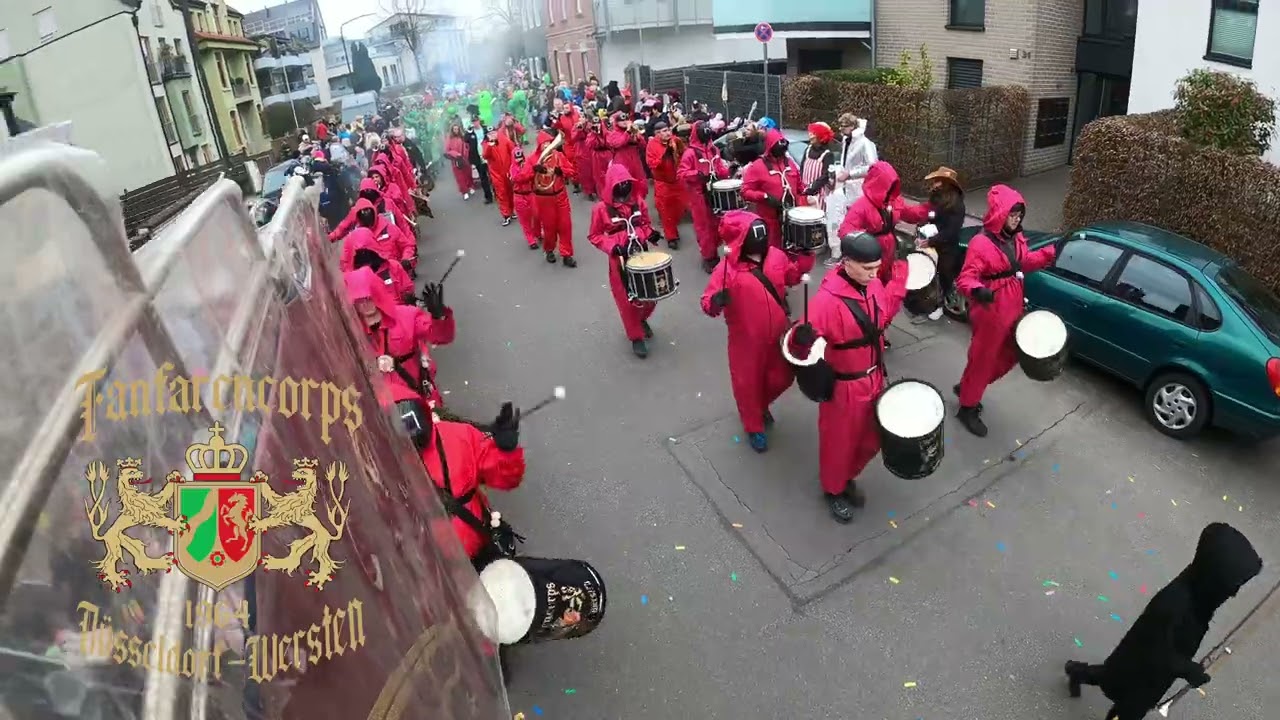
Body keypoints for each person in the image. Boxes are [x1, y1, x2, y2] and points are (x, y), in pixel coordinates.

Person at [1064, 522, 1261, 720]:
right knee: (1128, 708)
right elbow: (1157, 651)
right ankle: (1077, 672)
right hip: (1144, 667)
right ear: (1212, 579)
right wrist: (1187, 669)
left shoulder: (1199, 588)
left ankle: (1076, 671)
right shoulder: (1173, 603)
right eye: (1229, 586)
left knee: (1109, 676)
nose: (1234, 593)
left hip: (1144, 662)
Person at [786, 232, 908, 522]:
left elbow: (885, 309)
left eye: (877, 268)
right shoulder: (825, 302)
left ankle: (848, 476)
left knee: (871, 439)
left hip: (875, 377)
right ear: (848, 262)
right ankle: (834, 489)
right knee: (838, 443)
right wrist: (799, 340)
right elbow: (795, 348)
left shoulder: (875, 284)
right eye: (867, 269)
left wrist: (903, 271)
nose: (874, 274)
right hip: (845, 387)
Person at [954, 186, 1063, 437]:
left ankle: (969, 386)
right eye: (1012, 214)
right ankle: (967, 407)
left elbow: (1023, 262)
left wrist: (1049, 254)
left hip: (1012, 304)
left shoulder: (1016, 238)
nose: (1016, 219)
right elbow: (966, 279)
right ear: (999, 213)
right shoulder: (980, 243)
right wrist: (978, 290)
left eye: (1019, 215)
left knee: (1010, 354)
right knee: (983, 359)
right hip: (991, 309)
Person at [701, 211, 809, 452]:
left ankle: (760, 406)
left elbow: (792, 276)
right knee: (746, 384)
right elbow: (707, 302)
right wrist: (716, 302)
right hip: (745, 341)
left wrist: (805, 258)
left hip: (778, 334)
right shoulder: (727, 270)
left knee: (782, 376)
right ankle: (754, 426)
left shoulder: (777, 257)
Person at [398, 398, 526, 575]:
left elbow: (506, 479)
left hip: (477, 541)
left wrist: (505, 451)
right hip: (427, 568)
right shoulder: (375, 462)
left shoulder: (459, 436)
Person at [344, 267, 455, 411]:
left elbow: (442, 337)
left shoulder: (406, 316)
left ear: (376, 293)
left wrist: (439, 317)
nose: (365, 304)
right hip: (380, 407)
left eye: (368, 297)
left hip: (417, 396)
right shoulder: (350, 332)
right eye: (358, 300)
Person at [589, 164, 661, 358]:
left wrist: (651, 234)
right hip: (619, 259)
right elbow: (595, 235)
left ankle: (642, 319)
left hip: (641, 253)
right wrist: (613, 246)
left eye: (626, 182)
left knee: (651, 293)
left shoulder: (638, 201)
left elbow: (645, 224)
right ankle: (636, 337)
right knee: (627, 300)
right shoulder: (601, 209)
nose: (624, 186)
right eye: (619, 183)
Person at [836, 161, 932, 287]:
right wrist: (865, 241)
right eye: (888, 186)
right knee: (872, 286)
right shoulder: (861, 206)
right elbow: (845, 231)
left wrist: (931, 207)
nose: (890, 190)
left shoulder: (893, 201)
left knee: (886, 284)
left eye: (893, 186)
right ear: (879, 184)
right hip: (871, 255)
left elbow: (909, 213)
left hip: (889, 252)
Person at [679, 121, 732, 273]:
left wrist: (725, 172)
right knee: (704, 228)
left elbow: (720, 167)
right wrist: (697, 175)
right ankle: (709, 258)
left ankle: (714, 251)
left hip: (715, 193)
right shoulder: (690, 153)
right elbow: (682, 174)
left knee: (717, 225)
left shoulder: (713, 149)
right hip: (699, 196)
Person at [825, 114, 878, 265]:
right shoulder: (846, 140)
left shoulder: (865, 143)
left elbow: (873, 166)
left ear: (852, 126)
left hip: (859, 191)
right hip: (844, 189)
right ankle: (843, 254)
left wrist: (850, 174)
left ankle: (857, 255)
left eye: (844, 126)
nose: (840, 129)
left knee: (857, 224)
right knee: (841, 221)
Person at [917, 167, 966, 322]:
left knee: (943, 276)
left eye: (937, 181)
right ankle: (926, 302)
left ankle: (940, 306)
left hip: (946, 248)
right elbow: (930, 217)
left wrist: (931, 241)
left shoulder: (957, 205)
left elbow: (951, 231)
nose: (933, 184)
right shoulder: (936, 199)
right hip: (932, 243)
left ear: (945, 184)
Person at [741, 129, 803, 248]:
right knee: (772, 252)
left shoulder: (789, 163)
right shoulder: (757, 166)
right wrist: (764, 196)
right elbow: (745, 191)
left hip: (792, 219)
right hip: (770, 220)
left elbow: (799, 185)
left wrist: (808, 191)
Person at [529, 122, 578, 267]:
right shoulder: (533, 159)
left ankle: (566, 254)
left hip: (560, 196)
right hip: (544, 199)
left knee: (565, 226)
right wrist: (534, 170)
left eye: (550, 143)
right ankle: (549, 249)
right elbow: (520, 178)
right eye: (545, 143)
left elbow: (572, 171)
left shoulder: (559, 156)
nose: (548, 146)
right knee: (549, 228)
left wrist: (561, 172)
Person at [337, 197, 415, 272]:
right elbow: (346, 263)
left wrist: (405, 259)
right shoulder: (355, 237)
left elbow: (407, 245)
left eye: (368, 211)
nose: (366, 215)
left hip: (395, 273)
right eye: (363, 213)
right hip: (371, 278)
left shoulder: (388, 227)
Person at [645, 121, 687, 250]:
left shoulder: (675, 140)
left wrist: (678, 148)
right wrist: (665, 157)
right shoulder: (652, 145)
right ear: (658, 134)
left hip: (678, 181)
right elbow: (651, 163)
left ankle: (673, 228)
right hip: (663, 183)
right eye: (663, 131)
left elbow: (684, 154)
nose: (667, 133)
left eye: (668, 130)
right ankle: (671, 237)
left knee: (680, 208)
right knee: (666, 211)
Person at [606, 111, 647, 202]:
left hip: (635, 162)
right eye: (621, 121)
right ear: (616, 122)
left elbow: (643, 145)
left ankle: (639, 204)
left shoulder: (633, 131)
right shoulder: (613, 133)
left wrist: (638, 137)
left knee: (639, 184)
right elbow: (617, 143)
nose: (624, 122)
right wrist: (627, 132)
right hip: (622, 162)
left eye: (626, 120)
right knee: (625, 185)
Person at [351, 247, 416, 304]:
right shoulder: (357, 279)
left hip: (400, 308)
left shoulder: (393, 266)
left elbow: (408, 288)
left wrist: (406, 257)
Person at [482, 128, 517, 226]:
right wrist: (490, 145)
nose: (493, 135)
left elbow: (512, 149)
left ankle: (511, 211)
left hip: (508, 171)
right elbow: (485, 155)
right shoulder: (485, 143)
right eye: (490, 133)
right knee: (501, 194)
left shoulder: (503, 138)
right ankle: (506, 215)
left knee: (510, 192)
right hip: (496, 174)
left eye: (494, 132)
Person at [509, 145, 541, 250]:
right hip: (519, 196)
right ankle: (531, 240)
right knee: (525, 220)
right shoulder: (513, 168)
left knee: (536, 215)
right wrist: (529, 172)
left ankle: (538, 233)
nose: (519, 159)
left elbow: (532, 176)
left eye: (521, 156)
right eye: (517, 157)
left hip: (530, 194)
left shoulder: (527, 164)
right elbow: (518, 178)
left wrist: (533, 171)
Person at [467, 110, 496, 205]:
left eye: (476, 121)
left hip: (489, 156)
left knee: (494, 176)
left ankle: (497, 194)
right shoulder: (470, 133)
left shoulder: (486, 129)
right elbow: (465, 140)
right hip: (478, 157)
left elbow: (494, 135)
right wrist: (468, 131)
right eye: (473, 121)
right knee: (483, 178)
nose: (475, 123)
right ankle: (488, 197)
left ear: (479, 120)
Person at [444, 124, 476, 199]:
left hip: (465, 158)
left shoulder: (462, 137)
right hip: (456, 160)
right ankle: (464, 191)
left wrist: (466, 152)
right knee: (460, 177)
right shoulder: (450, 139)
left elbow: (467, 145)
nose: (456, 130)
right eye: (454, 129)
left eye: (457, 129)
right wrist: (456, 154)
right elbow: (447, 150)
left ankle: (470, 187)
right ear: (452, 130)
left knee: (468, 174)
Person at [571, 115, 597, 200]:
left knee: (594, 171)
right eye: (580, 117)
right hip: (581, 150)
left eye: (583, 117)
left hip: (591, 149)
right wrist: (579, 130)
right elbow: (573, 138)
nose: (581, 119)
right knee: (585, 173)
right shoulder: (576, 126)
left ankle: (595, 188)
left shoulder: (590, 125)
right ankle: (589, 191)